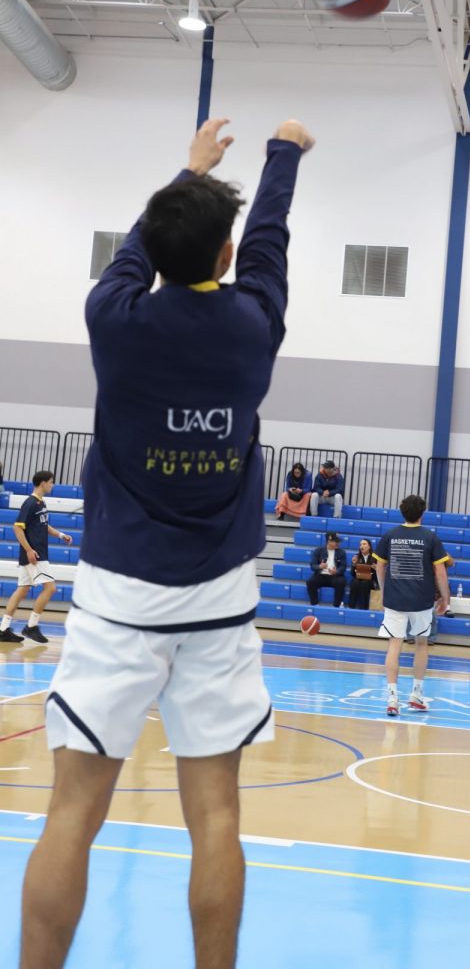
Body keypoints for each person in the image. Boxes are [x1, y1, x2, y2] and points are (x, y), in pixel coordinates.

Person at [19, 116, 314, 969]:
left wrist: (190, 171)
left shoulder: (114, 320)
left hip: (117, 597)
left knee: (72, 813)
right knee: (216, 816)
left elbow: (135, 254)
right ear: (225, 257)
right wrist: (283, 155)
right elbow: (269, 241)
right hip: (219, 601)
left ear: (152, 250)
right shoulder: (254, 324)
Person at [374, 494, 450, 716]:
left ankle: (392, 698)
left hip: (395, 599)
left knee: (394, 645)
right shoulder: (430, 537)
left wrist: (384, 591)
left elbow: (379, 567)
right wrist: (445, 599)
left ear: (402, 512)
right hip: (421, 600)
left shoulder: (390, 535)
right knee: (421, 645)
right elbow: (440, 572)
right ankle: (416, 694)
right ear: (422, 513)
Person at [0, 470, 73, 645]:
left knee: (22, 590)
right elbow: (17, 528)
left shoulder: (41, 503)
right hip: (35, 555)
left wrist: (61, 535)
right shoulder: (30, 502)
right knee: (50, 588)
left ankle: (3, 629)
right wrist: (29, 550)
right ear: (43, 483)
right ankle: (31, 626)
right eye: (51, 482)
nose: (52, 485)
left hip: (36, 553)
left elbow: (44, 525)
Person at [306, 532, 347, 607]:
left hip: (335, 576)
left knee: (341, 582)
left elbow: (343, 567)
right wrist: (319, 567)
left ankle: (337, 605)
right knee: (310, 582)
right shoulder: (318, 550)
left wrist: (336, 571)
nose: (338, 543)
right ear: (329, 541)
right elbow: (312, 565)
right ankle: (314, 604)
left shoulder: (342, 552)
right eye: (336, 541)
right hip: (321, 575)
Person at [349, 538, 377, 609]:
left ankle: (364, 607)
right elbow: (352, 574)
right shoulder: (356, 557)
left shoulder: (374, 557)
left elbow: (377, 576)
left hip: (370, 580)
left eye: (364, 544)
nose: (362, 546)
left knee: (364, 583)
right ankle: (351, 606)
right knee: (354, 582)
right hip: (358, 579)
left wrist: (376, 569)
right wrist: (354, 565)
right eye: (360, 544)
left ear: (369, 546)